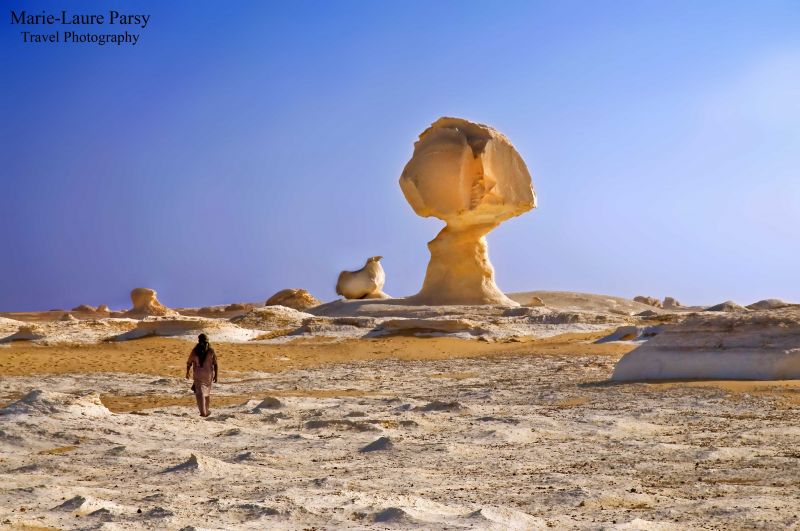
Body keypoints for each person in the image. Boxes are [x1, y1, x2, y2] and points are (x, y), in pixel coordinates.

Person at [185, 333, 218, 417]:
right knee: (206, 393)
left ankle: (203, 413)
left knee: (200, 394)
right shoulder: (211, 351)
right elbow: (215, 364)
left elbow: (189, 363)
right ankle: (206, 411)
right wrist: (216, 375)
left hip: (198, 375)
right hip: (208, 375)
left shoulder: (195, 351)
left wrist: (187, 372)